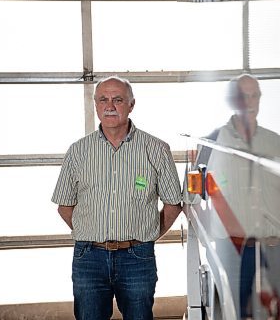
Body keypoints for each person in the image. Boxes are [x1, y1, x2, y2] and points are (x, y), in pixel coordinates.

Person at [52, 76, 183, 320]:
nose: (110, 105)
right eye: (103, 99)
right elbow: (64, 206)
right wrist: (90, 232)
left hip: (137, 258)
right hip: (89, 258)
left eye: (118, 99)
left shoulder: (156, 149)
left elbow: (173, 204)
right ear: (96, 105)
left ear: (131, 105)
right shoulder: (78, 151)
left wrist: (147, 237)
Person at [196, 74, 280, 319]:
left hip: (269, 247)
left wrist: (271, 232)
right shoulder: (212, 142)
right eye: (242, 95)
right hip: (228, 248)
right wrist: (215, 235)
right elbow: (193, 201)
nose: (249, 101)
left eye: (254, 95)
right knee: (231, 311)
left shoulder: (277, 144)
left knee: (269, 313)